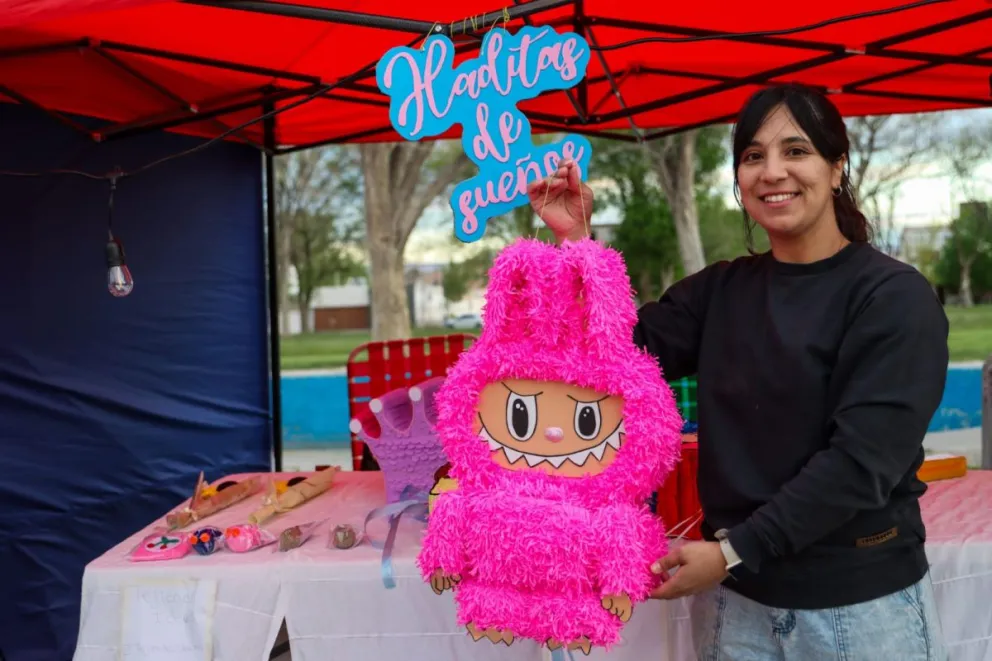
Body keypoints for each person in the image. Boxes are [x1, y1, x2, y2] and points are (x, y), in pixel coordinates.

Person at [527, 83, 949, 660]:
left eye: (796, 151)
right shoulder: (720, 292)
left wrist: (730, 552)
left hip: (860, 607)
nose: (772, 171)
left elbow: (861, 463)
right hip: (737, 605)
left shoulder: (892, 298)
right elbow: (609, 358)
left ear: (836, 167)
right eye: (753, 156)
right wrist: (575, 244)